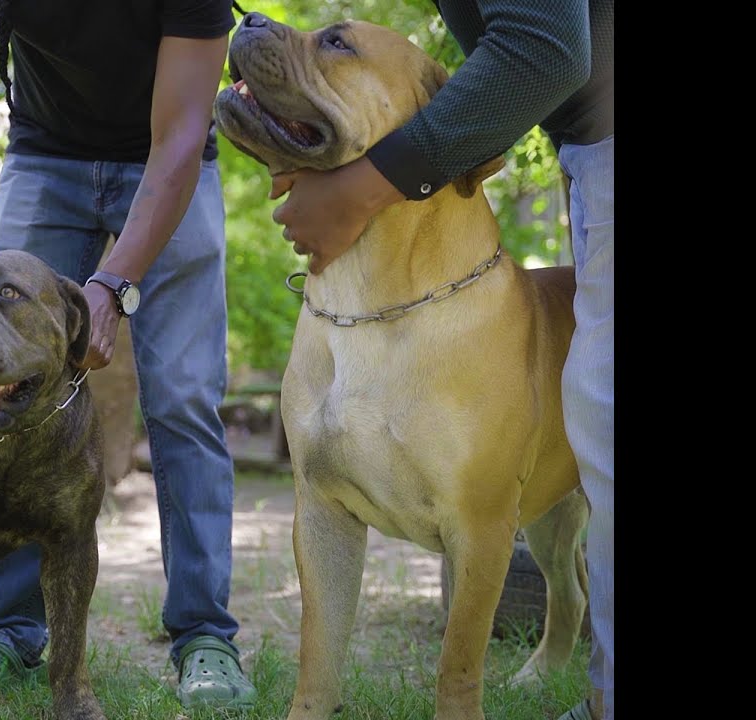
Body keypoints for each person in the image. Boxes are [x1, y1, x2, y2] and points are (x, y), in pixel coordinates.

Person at [0, 0, 257, 710]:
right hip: (43, 157)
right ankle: (9, 633)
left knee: (182, 398)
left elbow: (178, 133)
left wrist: (115, 284)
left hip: (172, 163)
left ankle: (205, 635)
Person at [267, 1, 613, 719]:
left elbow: (544, 46)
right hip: (587, 149)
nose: (284, 42)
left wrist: (368, 183)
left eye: (334, 45)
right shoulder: (326, 328)